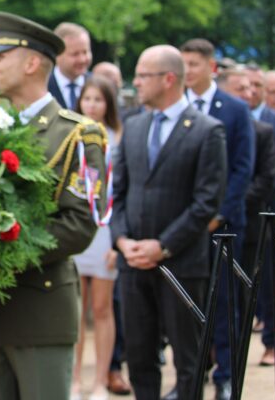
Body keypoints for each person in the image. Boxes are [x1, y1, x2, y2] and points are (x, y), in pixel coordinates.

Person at [0, 12, 104, 400]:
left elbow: (81, 223)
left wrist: (0, 249)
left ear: (30, 63)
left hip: (40, 310)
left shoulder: (77, 133)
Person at [111, 45, 227, 400]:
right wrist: (122, 241)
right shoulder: (133, 126)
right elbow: (119, 193)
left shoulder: (208, 130)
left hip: (181, 263)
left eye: (143, 75)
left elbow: (206, 202)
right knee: (141, 356)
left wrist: (162, 246)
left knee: (188, 358)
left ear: (169, 79)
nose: (137, 82)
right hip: (133, 265)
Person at [181, 38, 255, 400]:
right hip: (184, 228)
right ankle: (192, 377)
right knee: (186, 304)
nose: (187, 71)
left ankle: (227, 376)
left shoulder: (236, 110)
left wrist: (217, 214)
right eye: (183, 64)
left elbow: (243, 168)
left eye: (193, 64)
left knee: (225, 302)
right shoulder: (177, 108)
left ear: (210, 67)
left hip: (223, 226)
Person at [218, 68, 275, 365]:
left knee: (242, 295)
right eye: (240, 88)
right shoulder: (203, 126)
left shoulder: (264, 131)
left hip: (247, 225)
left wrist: (228, 203)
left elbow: (267, 178)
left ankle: (234, 363)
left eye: (252, 87)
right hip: (203, 225)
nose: (249, 93)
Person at [71, 76, 121, 400]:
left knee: (102, 308)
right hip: (78, 228)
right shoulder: (71, 137)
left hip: (107, 229)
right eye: (87, 99)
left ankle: (101, 379)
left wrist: (118, 241)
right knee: (77, 309)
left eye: (98, 100)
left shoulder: (118, 139)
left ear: (109, 104)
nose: (91, 105)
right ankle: (74, 379)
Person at [243, 65, 275, 364]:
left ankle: (272, 343)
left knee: (270, 280)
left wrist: (255, 194)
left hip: (267, 210)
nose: (253, 91)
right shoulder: (234, 118)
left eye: (258, 85)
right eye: (248, 85)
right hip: (237, 214)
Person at [48, 22, 93, 111]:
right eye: (75, 54)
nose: (82, 59)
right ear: (57, 55)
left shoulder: (98, 86)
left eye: (85, 52)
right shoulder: (43, 88)